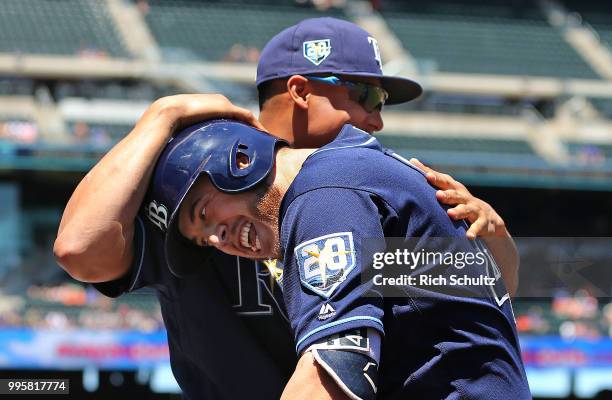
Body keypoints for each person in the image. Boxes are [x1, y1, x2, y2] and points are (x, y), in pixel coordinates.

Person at [54, 17, 518, 399]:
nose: (377, 119)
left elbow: (478, 298)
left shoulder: (356, 186)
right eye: (367, 96)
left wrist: (491, 238)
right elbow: (80, 249)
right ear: (300, 90)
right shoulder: (198, 192)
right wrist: (161, 116)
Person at [147, 119, 530, 399]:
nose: (217, 239)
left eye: (204, 214)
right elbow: (496, 291)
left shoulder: (323, 195)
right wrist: (497, 233)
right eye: (205, 241)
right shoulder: (358, 169)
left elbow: (336, 372)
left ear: (240, 161)